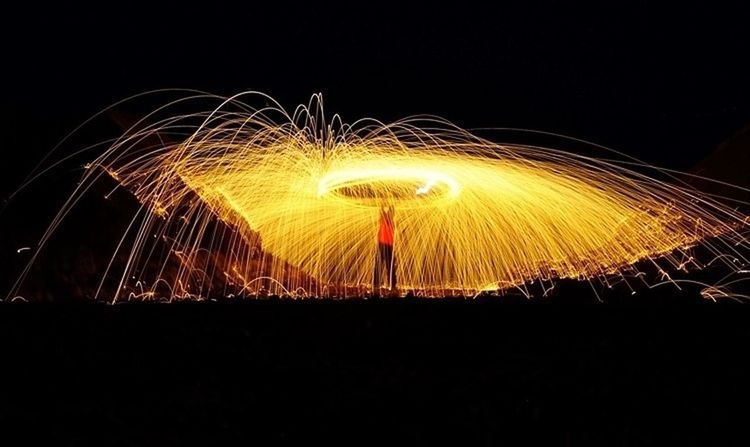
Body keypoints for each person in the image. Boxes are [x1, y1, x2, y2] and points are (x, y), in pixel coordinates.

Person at [373, 205, 397, 295]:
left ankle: (392, 285)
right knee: (380, 266)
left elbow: (387, 212)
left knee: (389, 267)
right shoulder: (384, 221)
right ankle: (377, 284)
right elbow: (382, 213)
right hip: (383, 245)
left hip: (387, 245)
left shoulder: (390, 222)